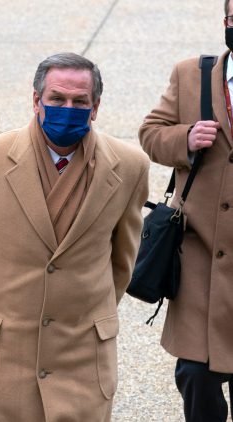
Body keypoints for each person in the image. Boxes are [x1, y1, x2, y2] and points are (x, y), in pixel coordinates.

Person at [0, 53, 149, 421]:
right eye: (57, 98)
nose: (68, 108)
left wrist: (84, 312)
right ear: (36, 101)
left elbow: (121, 263)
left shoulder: (129, 166)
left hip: (83, 358)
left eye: (80, 101)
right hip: (5, 355)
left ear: (95, 107)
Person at [139, 3, 233, 420]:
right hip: (199, 261)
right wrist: (185, 138)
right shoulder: (191, 73)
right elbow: (150, 134)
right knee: (196, 376)